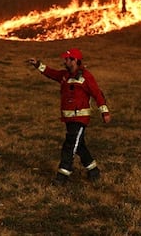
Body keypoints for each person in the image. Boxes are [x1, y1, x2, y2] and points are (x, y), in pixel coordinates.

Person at [27, 47, 112, 184]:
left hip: (80, 119)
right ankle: (93, 170)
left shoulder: (86, 77)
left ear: (75, 60)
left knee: (70, 145)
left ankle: (62, 176)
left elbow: (97, 94)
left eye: (67, 59)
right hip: (69, 118)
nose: (64, 61)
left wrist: (105, 112)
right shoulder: (65, 76)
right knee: (79, 146)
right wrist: (38, 65)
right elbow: (51, 73)